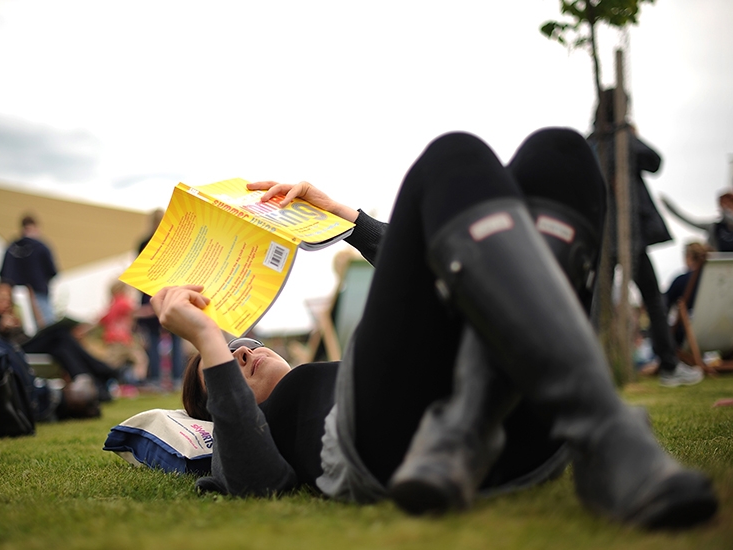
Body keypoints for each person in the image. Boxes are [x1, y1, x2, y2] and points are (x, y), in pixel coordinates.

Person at [154, 128, 717, 530]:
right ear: (223, 407)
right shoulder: (255, 432)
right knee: (452, 154)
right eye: (222, 369)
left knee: (561, 152)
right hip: (394, 451)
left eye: (241, 343)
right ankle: (605, 431)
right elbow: (257, 484)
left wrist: (349, 222)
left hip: (508, 438)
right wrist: (206, 342)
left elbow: (427, 284)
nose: (241, 352)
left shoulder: (339, 369)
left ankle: (469, 421)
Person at [589, 89, 703, 388]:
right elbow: (654, 161)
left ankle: (587, 369)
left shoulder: (591, 143)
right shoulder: (624, 137)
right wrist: (631, 133)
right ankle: (668, 367)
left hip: (602, 234)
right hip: (628, 235)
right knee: (653, 300)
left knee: (596, 307)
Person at [0, 283, 121, 402]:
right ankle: (102, 369)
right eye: (1, 299)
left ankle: (96, 387)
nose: (6, 303)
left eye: (8, 300)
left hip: (27, 342)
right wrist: (1, 329)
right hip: (18, 351)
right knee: (60, 331)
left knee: (62, 346)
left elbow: (24, 335)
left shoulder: (11, 317)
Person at [136, 209, 186, 389]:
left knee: (155, 339)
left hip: (151, 295)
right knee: (175, 337)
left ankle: (156, 379)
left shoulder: (144, 243)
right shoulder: (174, 241)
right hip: (169, 294)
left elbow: (140, 273)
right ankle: (177, 379)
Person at [0, 214, 59, 327]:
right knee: (47, 326)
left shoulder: (12, 248)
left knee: (18, 325)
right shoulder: (41, 247)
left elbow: (3, 273)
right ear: (35, 227)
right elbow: (52, 271)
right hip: (38, 292)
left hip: (14, 294)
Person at [97, 280, 148, 382]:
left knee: (113, 363)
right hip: (123, 339)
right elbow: (136, 311)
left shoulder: (112, 305)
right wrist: (151, 310)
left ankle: (106, 381)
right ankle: (139, 381)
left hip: (112, 339)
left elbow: (101, 320)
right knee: (141, 360)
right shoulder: (123, 301)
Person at [664, 241, 711, 348]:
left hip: (688, 336)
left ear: (688, 256)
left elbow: (663, 307)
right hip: (718, 334)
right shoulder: (715, 280)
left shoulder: (681, 281)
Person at [661, 191, 733, 253]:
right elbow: (690, 221)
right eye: (723, 205)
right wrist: (668, 206)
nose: (725, 208)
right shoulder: (715, 228)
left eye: (728, 204)